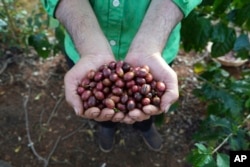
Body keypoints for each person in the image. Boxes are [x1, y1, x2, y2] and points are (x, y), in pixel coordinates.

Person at [41, 0, 202, 152]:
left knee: (144, 111)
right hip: (84, 52)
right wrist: (89, 46)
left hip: (157, 52)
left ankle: (145, 127)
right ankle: (106, 127)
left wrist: (151, 43)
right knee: (102, 111)